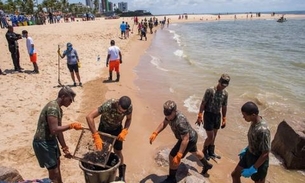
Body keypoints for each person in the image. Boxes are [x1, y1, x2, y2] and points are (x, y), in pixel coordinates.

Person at [149, 100, 213, 183]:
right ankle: (207, 165)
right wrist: (155, 133)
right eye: (166, 114)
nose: (167, 117)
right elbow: (164, 123)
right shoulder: (170, 115)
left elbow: (185, 139)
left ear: (175, 111)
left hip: (189, 139)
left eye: (169, 115)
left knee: (172, 156)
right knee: (195, 152)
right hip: (192, 135)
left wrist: (179, 155)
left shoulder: (180, 121)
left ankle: (172, 178)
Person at [32, 86, 83, 183]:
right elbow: (54, 130)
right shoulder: (52, 108)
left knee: (57, 165)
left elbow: (59, 132)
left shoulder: (59, 109)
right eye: (70, 99)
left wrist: (64, 147)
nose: (71, 102)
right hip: (43, 142)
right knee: (54, 172)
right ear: (63, 96)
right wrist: (71, 125)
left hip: (51, 140)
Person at [86, 96, 132, 182]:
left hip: (117, 130)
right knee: (102, 150)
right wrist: (95, 135)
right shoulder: (108, 105)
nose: (120, 112)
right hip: (104, 129)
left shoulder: (129, 108)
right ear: (118, 103)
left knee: (118, 151)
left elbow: (129, 119)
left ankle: (122, 175)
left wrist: (125, 130)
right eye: (119, 110)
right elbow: (89, 117)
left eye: (123, 112)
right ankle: (101, 171)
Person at [231, 101, 271, 183]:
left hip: (259, 160)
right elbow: (255, 139)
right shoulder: (253, 122)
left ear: (253, 115)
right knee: (235, 174)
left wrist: (254, 168)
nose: (243, 117)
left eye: (245, 115)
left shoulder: (263, 130)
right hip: (249, 154)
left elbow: (265, 153)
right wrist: (247, 149)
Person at [196, 74, 230, 161]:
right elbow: (203, 103)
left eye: (225, 86)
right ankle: (205, 150)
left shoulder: (225, 93)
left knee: (214, 136)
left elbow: (224, 106)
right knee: (210, 136)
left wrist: (224, 118)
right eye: (222, 85)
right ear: (219, 81)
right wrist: (200, 115)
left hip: (217, 115)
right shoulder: (210, 91)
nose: (223, 87)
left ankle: (211, 152)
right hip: (208, 115)